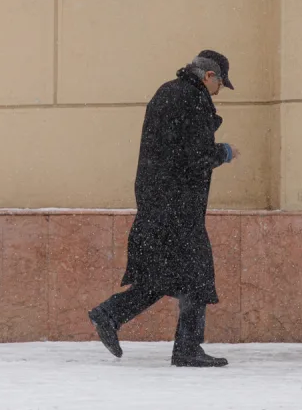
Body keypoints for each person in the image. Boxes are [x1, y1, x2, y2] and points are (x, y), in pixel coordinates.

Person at [88, 50, 239, 368]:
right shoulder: (194, 98)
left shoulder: (167, 91)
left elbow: (170, 148)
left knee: (165, 274)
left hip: (157, 200)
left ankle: (111, 314)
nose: (219, 91)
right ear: (209, 76)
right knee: (196, 276)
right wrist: (222, 152)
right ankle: (186, 348)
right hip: (178, 204)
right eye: (220, 84)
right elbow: (194, 156)